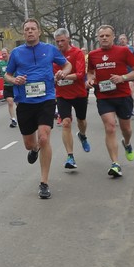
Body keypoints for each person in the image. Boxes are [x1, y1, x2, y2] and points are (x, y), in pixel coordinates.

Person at [4, 19, 71, 200]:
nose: (30, 31)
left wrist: (63, 72)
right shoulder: (16, 53)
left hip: (46, 99)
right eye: (27, 29)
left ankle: (44, 183)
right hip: (25, 102)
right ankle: (34, 149)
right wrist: (14, 80)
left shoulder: (50, 49)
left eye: (33, 29)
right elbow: (7, 74)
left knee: (44, 137)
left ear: (39, 32)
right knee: (30, 143)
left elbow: (67, 64)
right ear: (23, 33)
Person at [86, 25, 134, 178]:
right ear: (98, 38)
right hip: (104, 97)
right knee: (110, 127)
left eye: (107, 35)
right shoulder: (93, 55)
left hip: (123, 96)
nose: (104, 38)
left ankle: (127, 143)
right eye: (101, 36)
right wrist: (90, 80)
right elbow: (90, 72)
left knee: (126, 129)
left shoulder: (123, 51)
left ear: (113, 37)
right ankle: (115, 164)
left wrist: (122, 78)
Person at [52, 28, 92, 171]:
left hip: (79, 93)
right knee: (66, 123)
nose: (60, 44)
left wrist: (63, 76)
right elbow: (51, 74)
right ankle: (70, 156)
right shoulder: (54, 55)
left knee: (81, 120)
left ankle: (82, 135)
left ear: (68, 39)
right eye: (57, 41)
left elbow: (80, 74)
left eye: (62, 40)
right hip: (62, 95)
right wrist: (54, 79)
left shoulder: (77, 53)